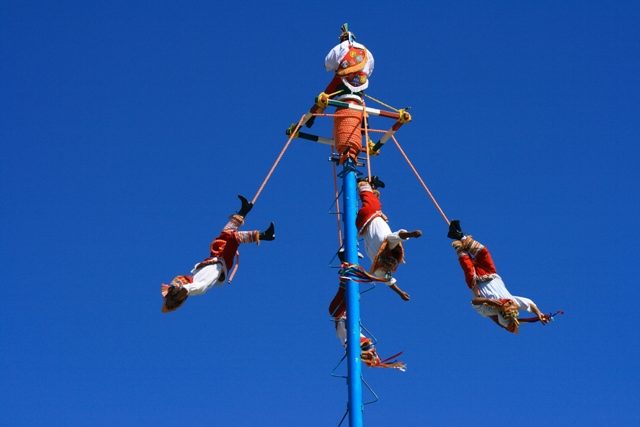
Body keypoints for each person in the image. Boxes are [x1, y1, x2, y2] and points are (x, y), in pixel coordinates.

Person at [161, 196, 275, 313]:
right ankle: (264, 235)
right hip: (222, 263)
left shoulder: (193, 277)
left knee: (225, 235)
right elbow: (191, 288)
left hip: (216, 257)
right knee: (233, 238)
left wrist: (178, 288)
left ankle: (243, 211)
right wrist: (182, 290)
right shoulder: (196, 287)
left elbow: (186, 285)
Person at [447, 220, 550, 333]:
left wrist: (489, 301)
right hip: (490, 273)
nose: (509, 304)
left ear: (502, 311)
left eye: (507, 307)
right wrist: (539, 314)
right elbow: (530, 303)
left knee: (466, 263)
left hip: (476, 281)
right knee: (483, 252)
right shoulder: (513, 301)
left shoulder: (490, 310)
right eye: (511, 306)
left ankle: (458, 243)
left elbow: (475, 301)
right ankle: (460, 236)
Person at [356, 176, 422, 301]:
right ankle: (371, 187)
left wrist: (412, 234)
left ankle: (362, 182)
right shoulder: (379, 265)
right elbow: (388, 281)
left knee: (373, 203)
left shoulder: (387, 246)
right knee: (373, 202)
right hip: (362, 226)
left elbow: (399, 235)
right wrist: (400, 293)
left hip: (371, 216)